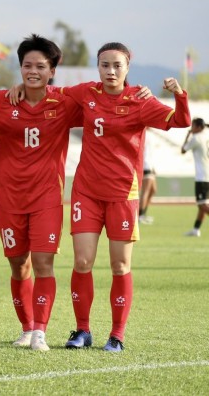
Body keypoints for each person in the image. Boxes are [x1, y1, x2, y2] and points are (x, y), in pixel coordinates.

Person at [61, 42, 189, 352]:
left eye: (117, 65)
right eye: (105, 65)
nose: (110, 71)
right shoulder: (86, 93)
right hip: (87, 192)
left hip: (123, 194)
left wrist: (179, 93)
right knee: (82, 261)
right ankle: (82, 330)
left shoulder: (140, 101)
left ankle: (116, 335)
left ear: (127, 68)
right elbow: (51, 94)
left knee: (119, 266)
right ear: (98, 67)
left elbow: (180, 121)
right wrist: (18, 90)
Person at [0, 34, 82, 351]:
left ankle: (41, 332)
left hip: (47, 198)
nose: (33, 71)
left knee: (44, 263)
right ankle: (27, 328)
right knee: (18, 265)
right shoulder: (0, 100)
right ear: (20, 67)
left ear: (52, 70)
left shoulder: (65, 103)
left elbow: (102, 104)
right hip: (8, 199)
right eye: (27, 65)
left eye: (41, 66)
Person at [181, 118, 209, 237]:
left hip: (202, 176)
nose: (191, 128)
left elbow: (183, 150)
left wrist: (188, 135)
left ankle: (196, 229)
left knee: (202, 204)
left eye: (192, 126)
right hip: (207, 174)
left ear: (198, 127)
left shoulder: (196, 138)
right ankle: (196, 229)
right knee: (202, 204)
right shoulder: (205, 136)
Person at [138, 134, 157, 224]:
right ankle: (140, 215)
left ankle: (143, 213)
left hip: (150, 166)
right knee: (145, 192)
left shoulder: (149, 136)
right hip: (145, 166)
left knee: (153, 190)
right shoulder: (143, 134)